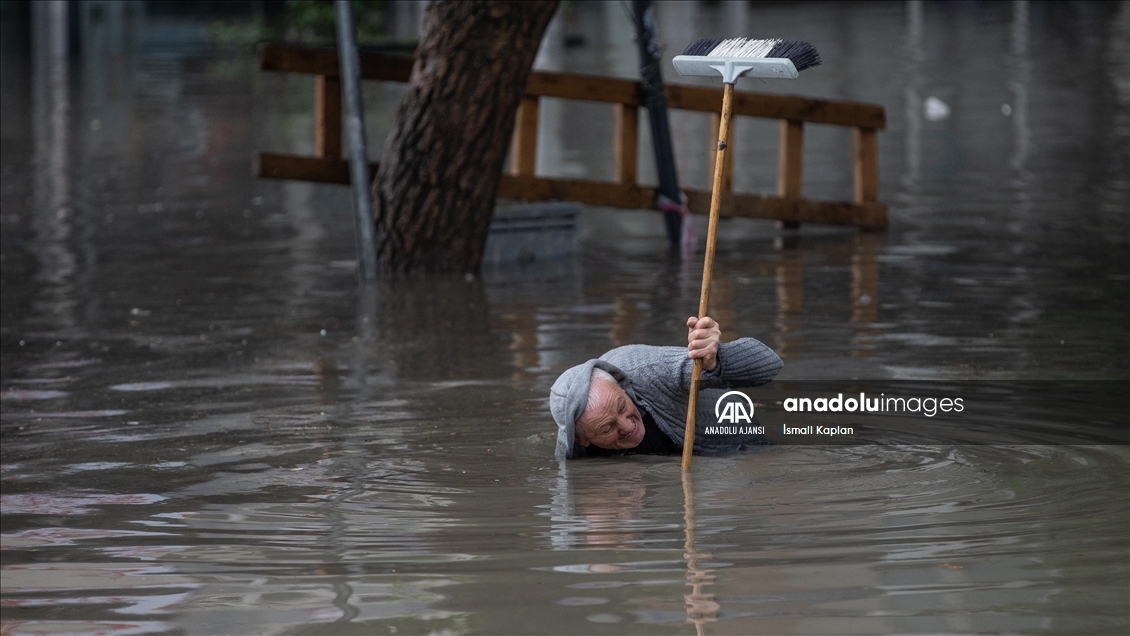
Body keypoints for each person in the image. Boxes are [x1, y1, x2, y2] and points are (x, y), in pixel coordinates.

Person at [550, 316, 783, 459]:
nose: (627, 426)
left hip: (739, 443)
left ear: (621, 385)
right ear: (581, 439)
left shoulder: (652, 370)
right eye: (607, 427)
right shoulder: (573, 445)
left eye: (621, 407)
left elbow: (771, 365)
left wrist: (716, 360)